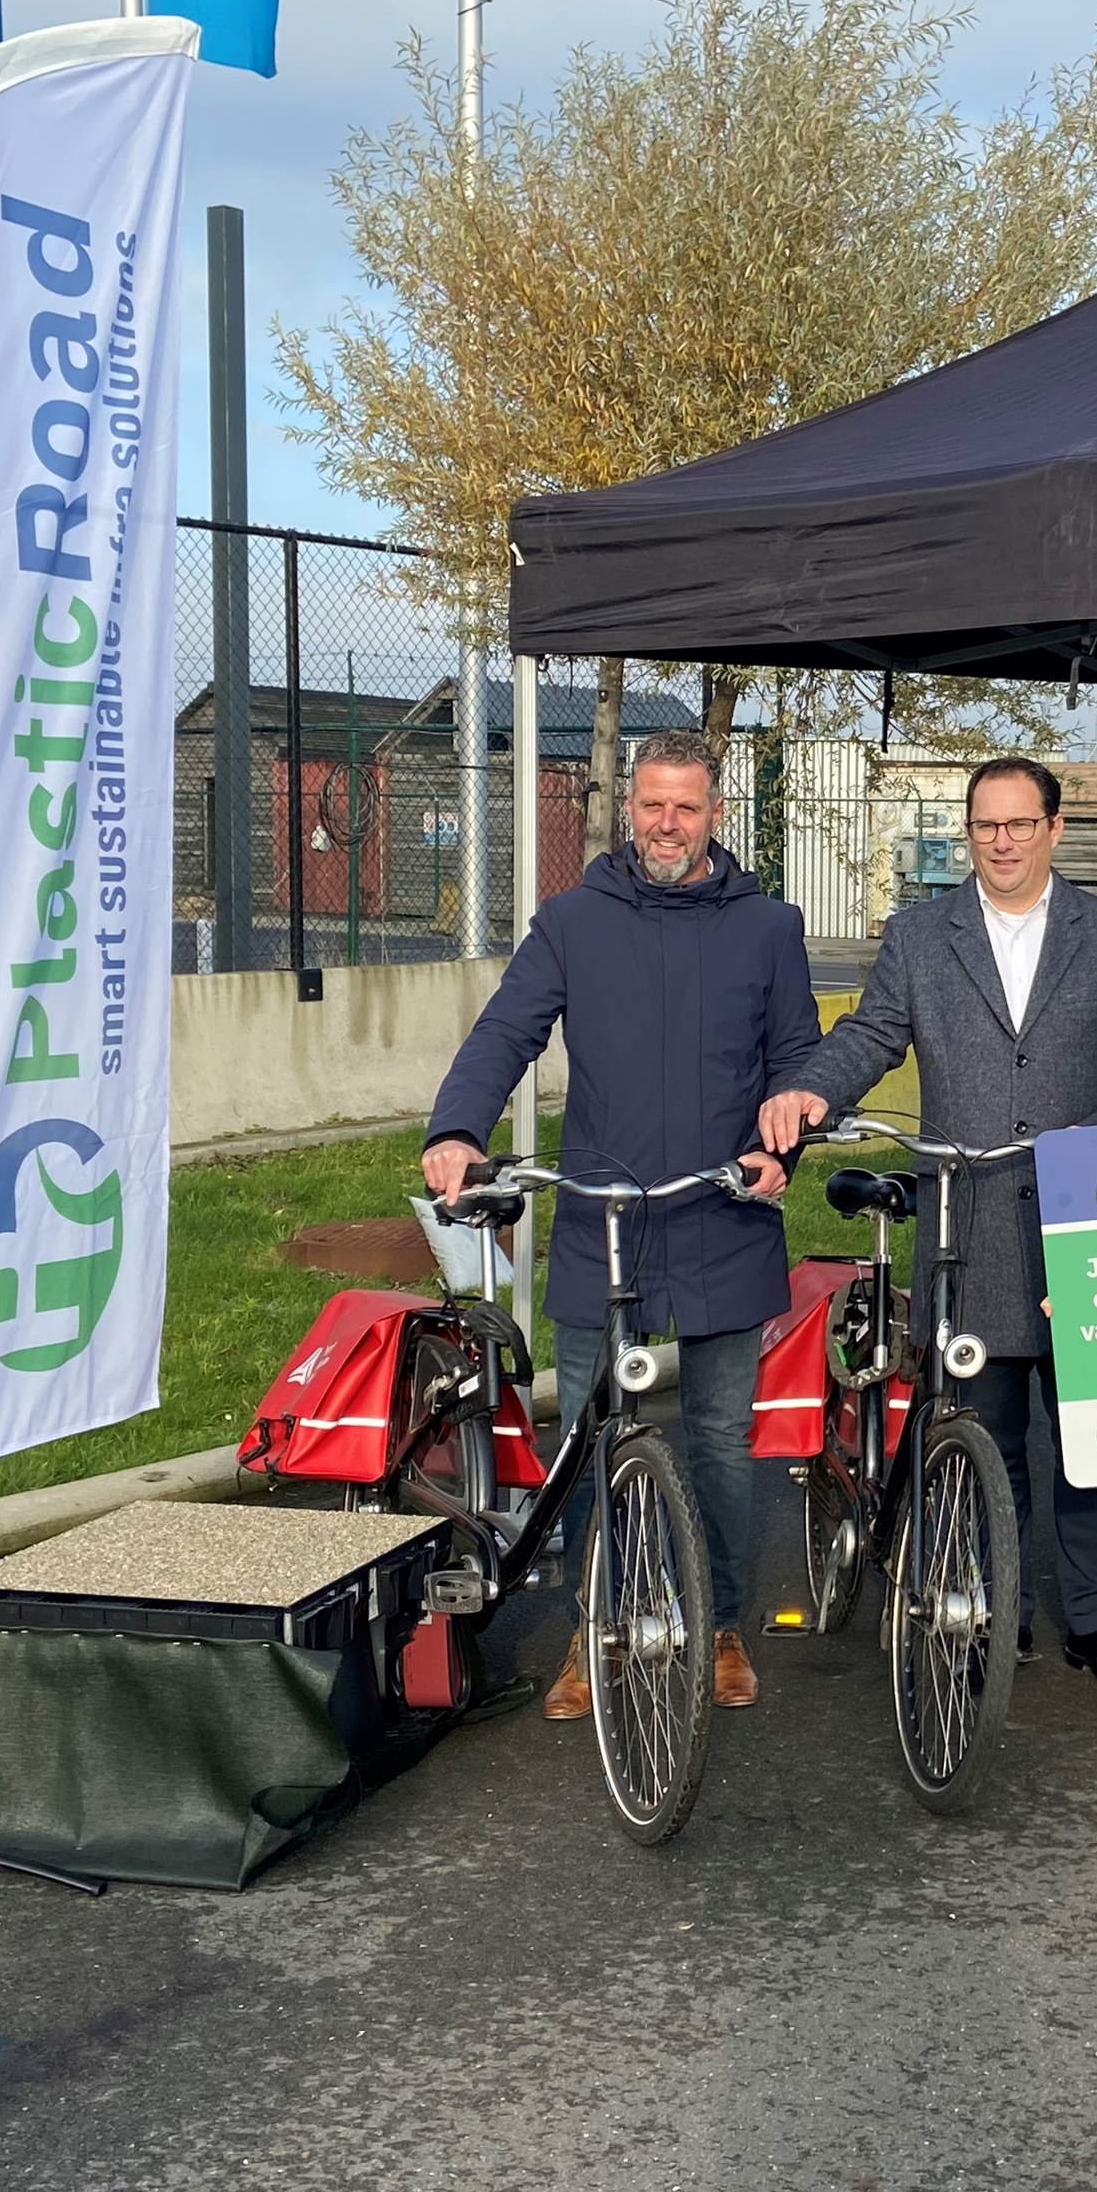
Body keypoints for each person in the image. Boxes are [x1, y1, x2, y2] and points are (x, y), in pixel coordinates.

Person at [423, 732, 812, 1720]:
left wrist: (786, 1150)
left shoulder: (769, 927)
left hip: (725, 1210)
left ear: (716, 812)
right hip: (606, 1219)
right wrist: (458, 1128)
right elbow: (508, 1029)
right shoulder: (572, 922)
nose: (668, 824)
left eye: (687, 806)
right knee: (594, 1439)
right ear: (628, 809)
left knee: (722, 1442)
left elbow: (797, 1060)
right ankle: (597, 1631)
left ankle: (721, 1623)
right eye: (652, 806)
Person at [758, 756, 1097, 1691]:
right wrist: (808, 1094)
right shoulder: (919, 933)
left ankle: (1096, 1620)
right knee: (985, 1429)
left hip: (1083, 1218)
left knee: (1094, 1435)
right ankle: (996, 1607)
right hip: (966, 1216)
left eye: (1021, 825)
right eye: (986, 826)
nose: (1002, 843)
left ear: (1055, 830)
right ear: (968, 832)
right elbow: (870, 1033)